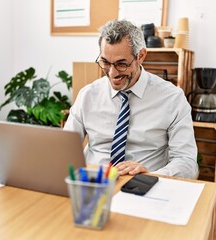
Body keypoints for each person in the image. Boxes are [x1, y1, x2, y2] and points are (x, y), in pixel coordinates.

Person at [64, 19, 198, 178]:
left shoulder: (172, 98)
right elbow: (64, 149)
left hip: (144, 185)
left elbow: (187, 162)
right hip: (94, 184)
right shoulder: (88, 95)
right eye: (105, 62)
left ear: (141, 56)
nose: (112, 73)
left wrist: (151, 175)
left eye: (121, 64)